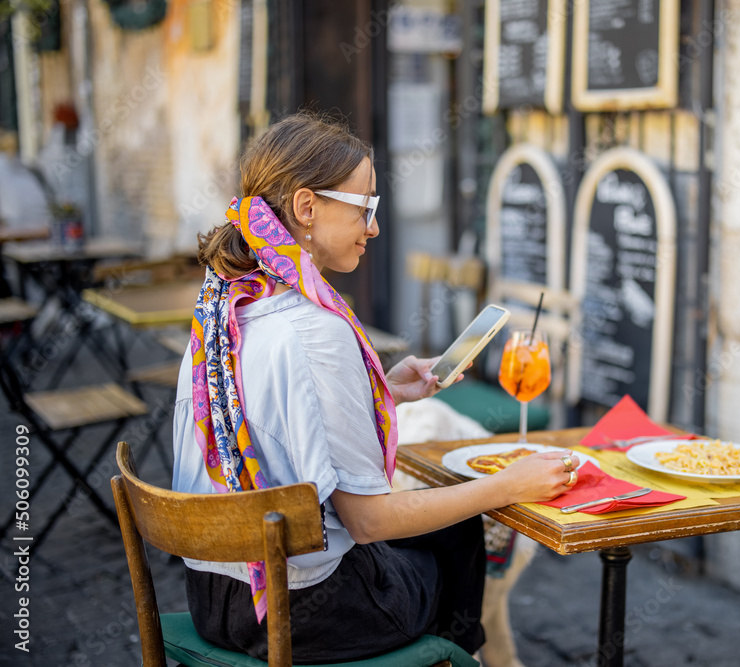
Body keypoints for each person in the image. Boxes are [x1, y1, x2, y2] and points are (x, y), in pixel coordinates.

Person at [172, 112, 580, 663]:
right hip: (301, 615)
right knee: (460, 536)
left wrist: (379, 391)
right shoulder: (317, 329)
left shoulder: (222, 306)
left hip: (213, 598)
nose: (375, 228)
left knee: (436, 535)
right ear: (306, 207)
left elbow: (277, 420)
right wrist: (507, 486)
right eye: (366, 207)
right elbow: (368, 522)